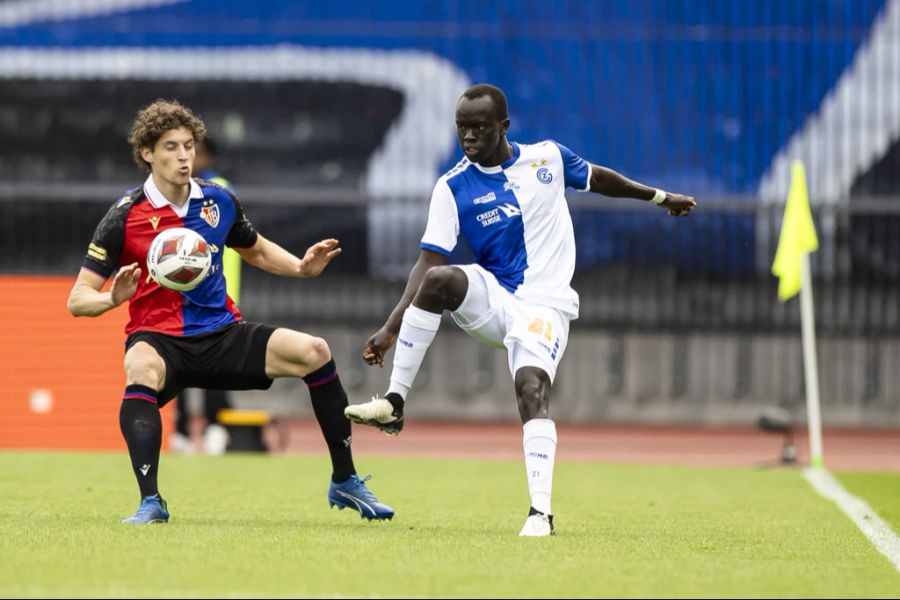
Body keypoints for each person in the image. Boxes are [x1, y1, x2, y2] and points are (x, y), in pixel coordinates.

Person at [345, 83, 696, 537]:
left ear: (504, 127)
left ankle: (540, 515)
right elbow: (427, 260)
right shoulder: (452, 187)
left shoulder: (548, 158)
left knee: (530, 388)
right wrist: (391, 328)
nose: (469, 138)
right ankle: (394, 403)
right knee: (439, 280)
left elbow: (600, 178)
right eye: (461, 129)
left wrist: (660, 198)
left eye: (479, 128)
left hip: (545, 305)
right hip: (496, 298)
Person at [68, 99, 394, 524]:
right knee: (140, 366)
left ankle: (345, 481)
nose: (184, 155)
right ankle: (151, 501)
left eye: (188, 145)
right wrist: (113, 298)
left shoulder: (218, 201)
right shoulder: (125, 215)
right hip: (161, 341)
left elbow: (255, 249)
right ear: (146, 153)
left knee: (315, 350)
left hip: (222, 335)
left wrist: (300, 266)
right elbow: (78, 299)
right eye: (171, 147)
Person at [169, 138, 242, 456]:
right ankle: (182, 431)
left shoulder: (220, 190)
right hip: (181, 297)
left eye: (193, 151)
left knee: (217, 364)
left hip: (218, 293)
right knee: (179, 365)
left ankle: (216, 426)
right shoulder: (171, 190)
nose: (186, 158)